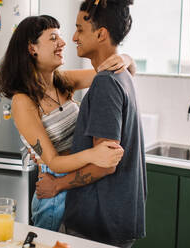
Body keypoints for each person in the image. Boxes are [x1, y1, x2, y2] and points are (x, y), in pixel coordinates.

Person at [0, 15, 135, 231]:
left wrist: (126, 59)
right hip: (54, 190)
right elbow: (52, 161)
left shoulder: (63, 80)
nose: (62, 43)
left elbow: (112, 74)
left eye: (59, 37)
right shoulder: (23, 101)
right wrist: (93, 154)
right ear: (32, 48)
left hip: (77, 183)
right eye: (53, 38)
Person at [35, 1, 146, 247]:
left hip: (98, 222)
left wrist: (57, 185)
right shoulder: (121, 74)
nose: (73, 37)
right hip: (114, 218)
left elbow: (105, 163)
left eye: (79, 30)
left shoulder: (106, 82)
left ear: (101, 34)